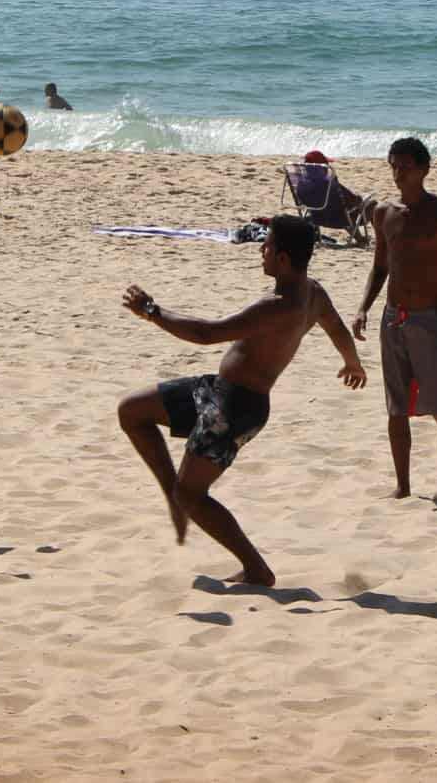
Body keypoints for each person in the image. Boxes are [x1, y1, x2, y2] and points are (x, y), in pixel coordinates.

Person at [116, 214, 367, 586]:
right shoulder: (313, 293)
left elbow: (206, 333)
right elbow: (336, 328)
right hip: (219, 390)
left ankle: (256, 569)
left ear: (282, 258)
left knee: (193, 494)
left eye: (267, 245)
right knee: (132, 411)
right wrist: (353, 363)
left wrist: (153, 312)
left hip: (234, 409)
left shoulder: (278, 305)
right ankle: (176, 495)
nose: (261, 249)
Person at [351, 137, 437, 499]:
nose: (397, 172)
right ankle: (402, 486)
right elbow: (379, 268)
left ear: (424, 169)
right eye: (393, 164)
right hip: (394, 319)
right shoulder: (384, 213)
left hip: (432, 321)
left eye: (404, 165)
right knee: (395, 407)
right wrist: (363, 308)